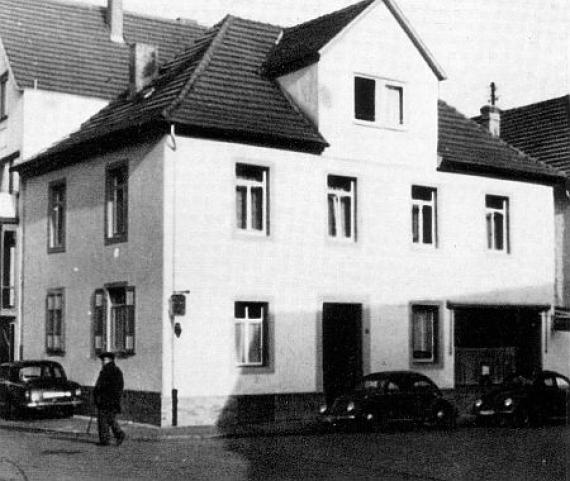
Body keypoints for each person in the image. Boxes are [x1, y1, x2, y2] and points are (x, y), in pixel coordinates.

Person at [93, 351, 126, 446]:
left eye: (104, 360)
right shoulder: (114, 370)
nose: (102, 362)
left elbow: (103, 386)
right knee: (109, 418)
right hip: (111, 400)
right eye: (102, 360)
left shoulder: (108, 371)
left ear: (108, 360)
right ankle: (115, 435)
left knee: (104, 419)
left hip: (106, 400)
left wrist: (99, 395)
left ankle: (109, 438)